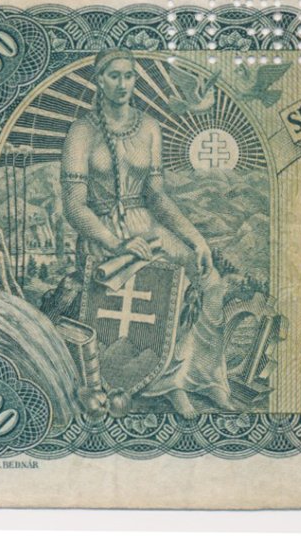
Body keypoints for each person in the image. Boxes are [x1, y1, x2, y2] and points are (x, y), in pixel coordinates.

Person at [61, 48, 231, 416]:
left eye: (129, 76)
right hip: (102, 234)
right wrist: (116, 242)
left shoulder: (150, 126)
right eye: (114, 76)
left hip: (147, 227)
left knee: (210, 280)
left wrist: (196, 240)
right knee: (152, 280)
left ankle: (200, 377)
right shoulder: (81, 131)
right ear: (99, 80)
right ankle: (165, 386)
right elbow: (74, 206)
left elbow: (157, 196)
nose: (122, 84)